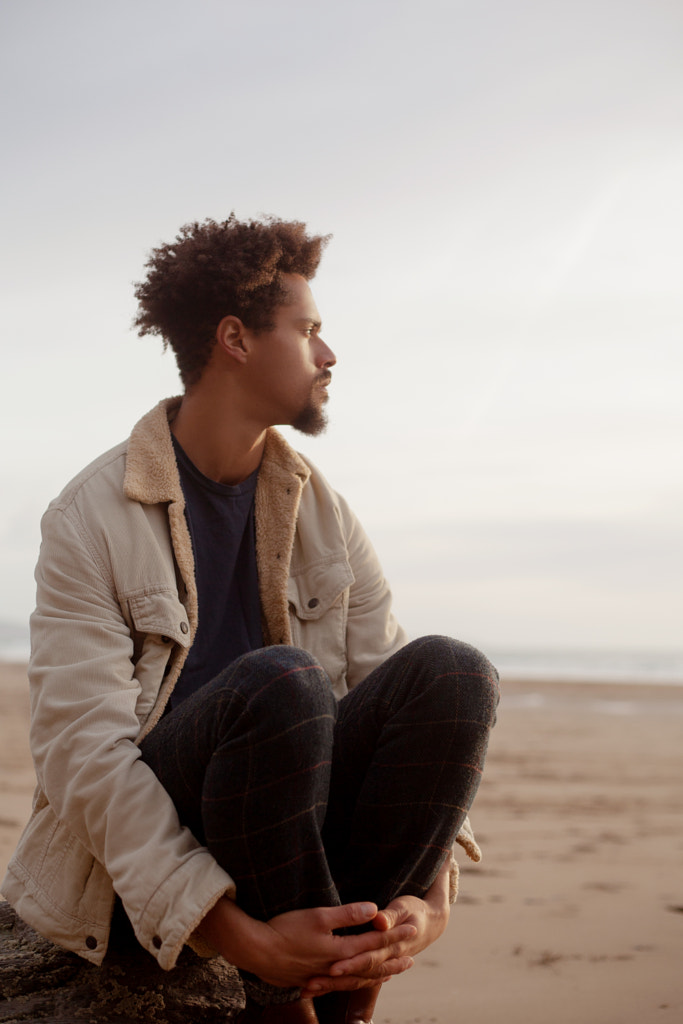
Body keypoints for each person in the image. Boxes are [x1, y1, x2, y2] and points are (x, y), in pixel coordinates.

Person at [1, 215, 498, 1024]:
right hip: (160, 863)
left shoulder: (320, 509)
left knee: (452, 673)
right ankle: (283, 997)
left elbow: (391, 695)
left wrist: (429, 902)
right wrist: (244, 941)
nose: (329, 356)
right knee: (285, 682)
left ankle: (342, 991)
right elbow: (80, 758)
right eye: (308, 332)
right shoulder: (90, 514)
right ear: (234, 339)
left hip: (294, 835)